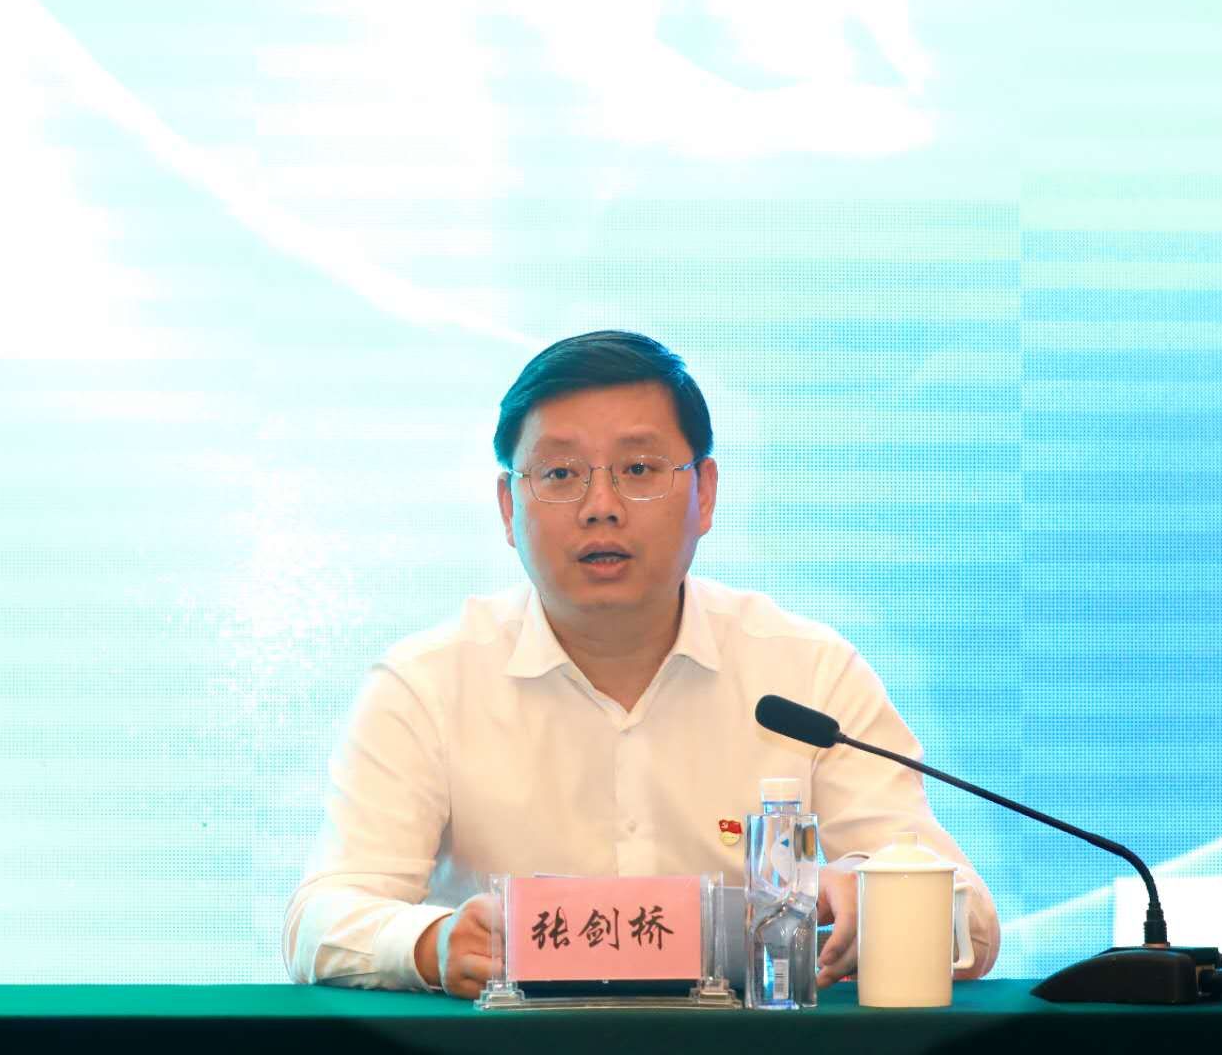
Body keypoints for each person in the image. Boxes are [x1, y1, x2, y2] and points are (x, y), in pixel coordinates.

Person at [283, 330, 999, 997]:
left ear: (705, 493)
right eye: (560, 473)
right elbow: (320, 918)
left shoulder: (808, 674)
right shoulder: (427, 684)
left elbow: (972, 924)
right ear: (508, 506)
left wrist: (876, 891)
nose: (601, 506)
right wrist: (430, 943)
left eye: (638, 470)